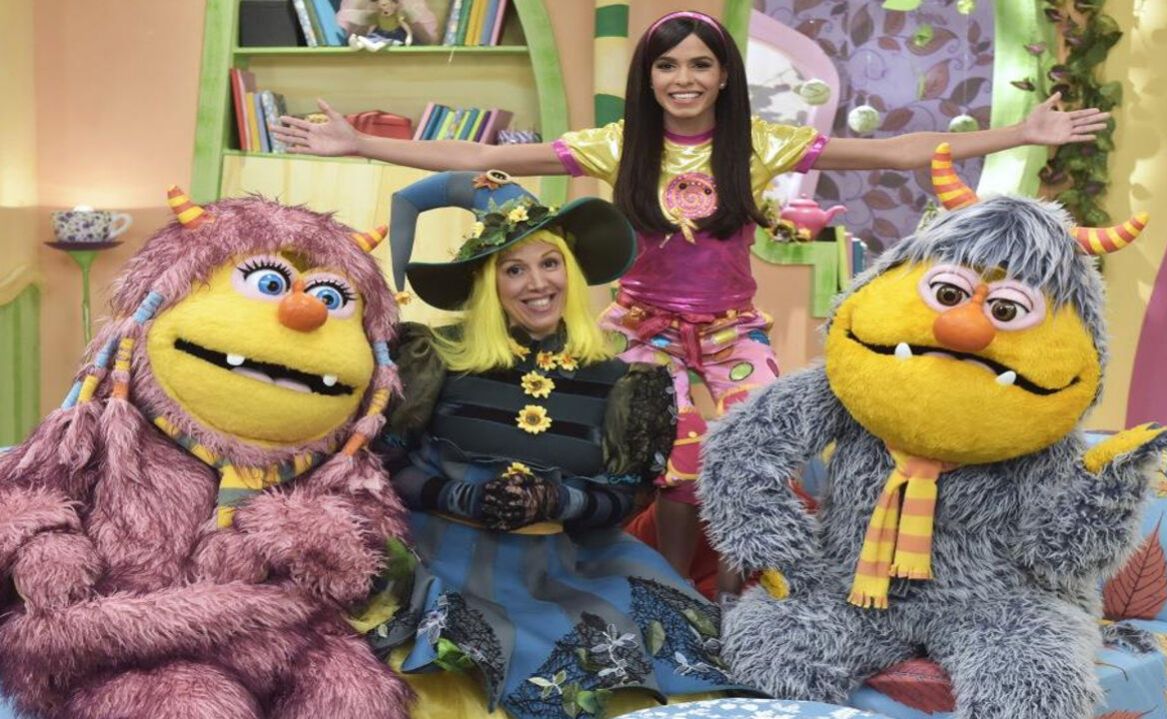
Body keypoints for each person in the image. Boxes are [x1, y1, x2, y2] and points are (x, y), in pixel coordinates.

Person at [273, 10, 1110, 592]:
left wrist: (1019, 133)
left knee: (756, 457)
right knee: (664, 460)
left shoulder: (762, 144)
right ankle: (671, 585)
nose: (683, 78)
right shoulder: (613, 146)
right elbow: (483, 156)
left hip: (732, 332)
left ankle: (742, 589)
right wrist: (361, 143)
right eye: (667, 65)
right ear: (649, 78)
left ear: (721, 77)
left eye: (699, 65)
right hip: (643, 331)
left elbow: (895, 151)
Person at [371, 170, 747, 719]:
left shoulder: (623, 382)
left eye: (550, 263)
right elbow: (385, 463)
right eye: (514, 269)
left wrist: (557, 501)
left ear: (570, 270)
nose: (537, 283)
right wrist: (462, 498)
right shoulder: (436, 355)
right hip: (434, 562)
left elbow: (624, 496)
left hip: (564, 571)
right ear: (489, 283)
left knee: (689, 679)